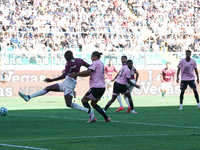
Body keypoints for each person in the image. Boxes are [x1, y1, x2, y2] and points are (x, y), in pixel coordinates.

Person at [18, 50, 95, 122]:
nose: (65, 58)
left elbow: (63, 76)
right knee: (49, 88)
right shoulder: (79, 60)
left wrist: (51, 80)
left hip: (69, 83)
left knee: (68, 103)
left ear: (67, 56)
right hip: (68, 82)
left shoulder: (68, 63)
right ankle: (28, 97)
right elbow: (89, 66)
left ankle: (89, 111)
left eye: (65, 57)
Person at [69, 51, 111, 123]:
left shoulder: (95, 63)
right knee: (93, 104)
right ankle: (106, 118)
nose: (91, 58)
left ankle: (92, 117)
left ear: (95, 57)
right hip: (102, 87)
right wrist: (77, 75)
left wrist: (76, 73)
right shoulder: (101, 63)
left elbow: (88, 72)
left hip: (96, 87)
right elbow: (88, 73)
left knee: (84, 100)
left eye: (91, 56)